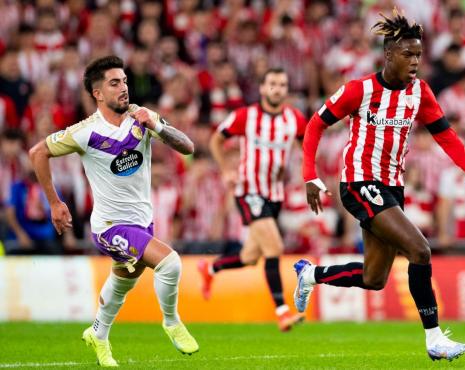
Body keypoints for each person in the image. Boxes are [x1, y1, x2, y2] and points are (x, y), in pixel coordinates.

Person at [296, 10, 465, 362]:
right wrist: (310, 174)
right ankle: (434, 338)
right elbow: (314, 125)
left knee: (374, 278)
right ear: (388, 54)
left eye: (418, 55)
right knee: (420, 250)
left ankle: (311, 274)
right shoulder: (360, 89)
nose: (415, 61)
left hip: (391, 187)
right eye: (408, 54)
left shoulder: (420, 92)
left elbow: (444, 134)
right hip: (358, 182)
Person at [28, 56, 199, 366]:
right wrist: (54, 202)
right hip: (109, 226)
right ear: (97, 93)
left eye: (124, 81)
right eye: (115, 83)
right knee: (170, 264)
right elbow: (37, 152)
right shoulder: (85, 132)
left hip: (142, 224)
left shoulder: (141, 117)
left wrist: (157, 124)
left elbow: (188, 147)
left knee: (123, 281)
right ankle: (172, 322)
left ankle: (98, 334)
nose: (124, 88)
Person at [198, 67, 306, 332]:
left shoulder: (295, 119)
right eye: (272, 84)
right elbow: (216, 140)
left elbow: (307, 146)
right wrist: (226, 169)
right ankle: (282, 313)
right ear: (262, 88)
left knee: (250, 256)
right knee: (275, 247)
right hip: (249, 190)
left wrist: (299, 171)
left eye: (282, 84)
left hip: (275, 194)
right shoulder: (246, 116)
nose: (277, 89)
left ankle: (210, 269)